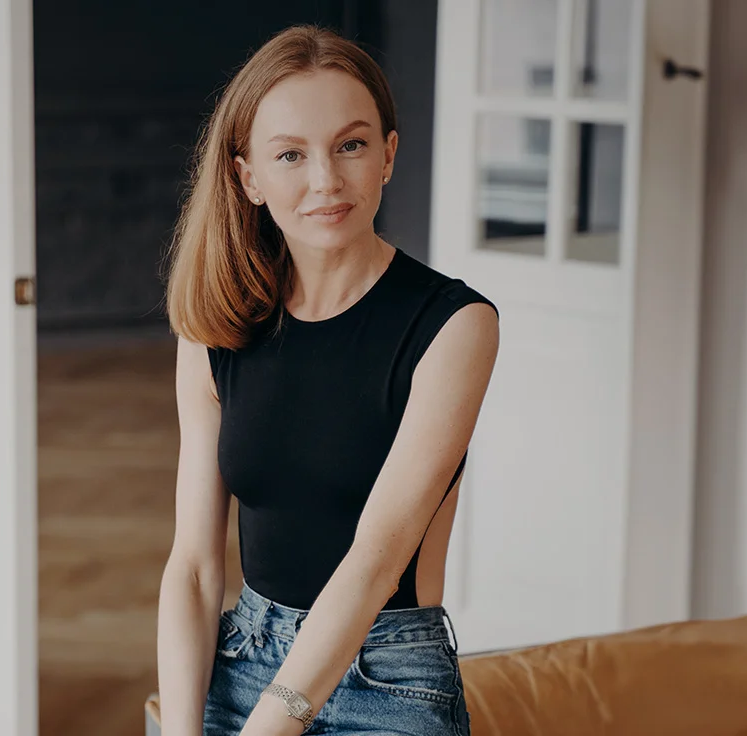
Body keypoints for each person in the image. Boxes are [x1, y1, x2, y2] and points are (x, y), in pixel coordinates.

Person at [158, 24, 499, 736]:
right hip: (245, 652)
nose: (326, 181)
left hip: (391, 679)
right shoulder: (213, 327)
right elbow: (194, 567)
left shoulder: (454, 326)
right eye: (290, 155)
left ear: (388, 156)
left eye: (351, 145)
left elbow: (376, 560)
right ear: (248, 176)